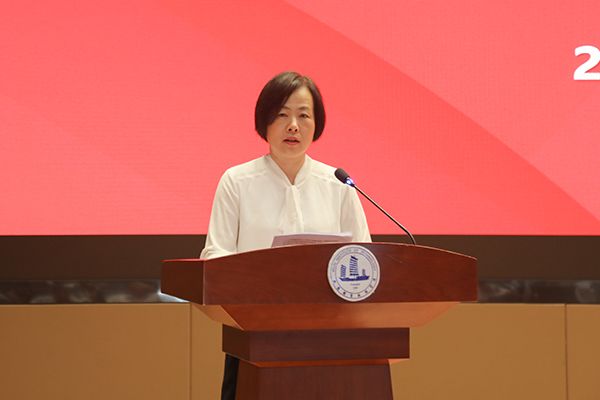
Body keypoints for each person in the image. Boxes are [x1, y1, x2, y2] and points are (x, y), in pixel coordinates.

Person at [200, 71, 371, 400]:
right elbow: (215, 255)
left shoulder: (338, 184)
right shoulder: (237, 181)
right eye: (281, 114)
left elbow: (364, 256)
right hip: (253, 336)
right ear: (264, 122)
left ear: (316, 124)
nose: (293, 125)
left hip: (328, 339)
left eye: (303, 115)